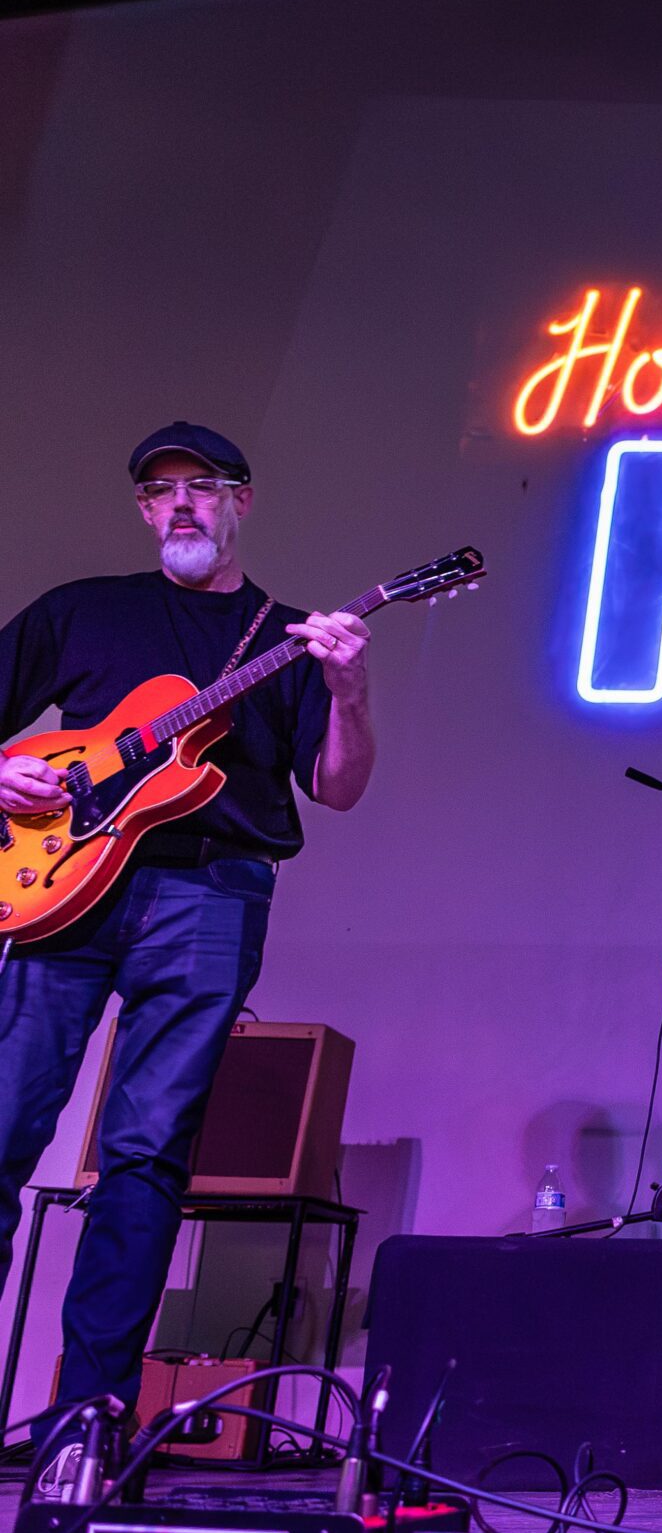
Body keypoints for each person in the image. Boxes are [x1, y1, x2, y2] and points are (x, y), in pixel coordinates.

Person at [0, 422, 375, 1478]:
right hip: (62, 889)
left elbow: (338, 786)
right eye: (159, 490)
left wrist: (348, 690)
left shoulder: (287, 639)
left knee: (146, 1155)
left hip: (207, 893)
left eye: (202, 488)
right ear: (140, 510)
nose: (179, 506)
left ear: (242, 503)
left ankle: (86, 1422)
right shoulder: (84, 608)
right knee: (0, 1131)